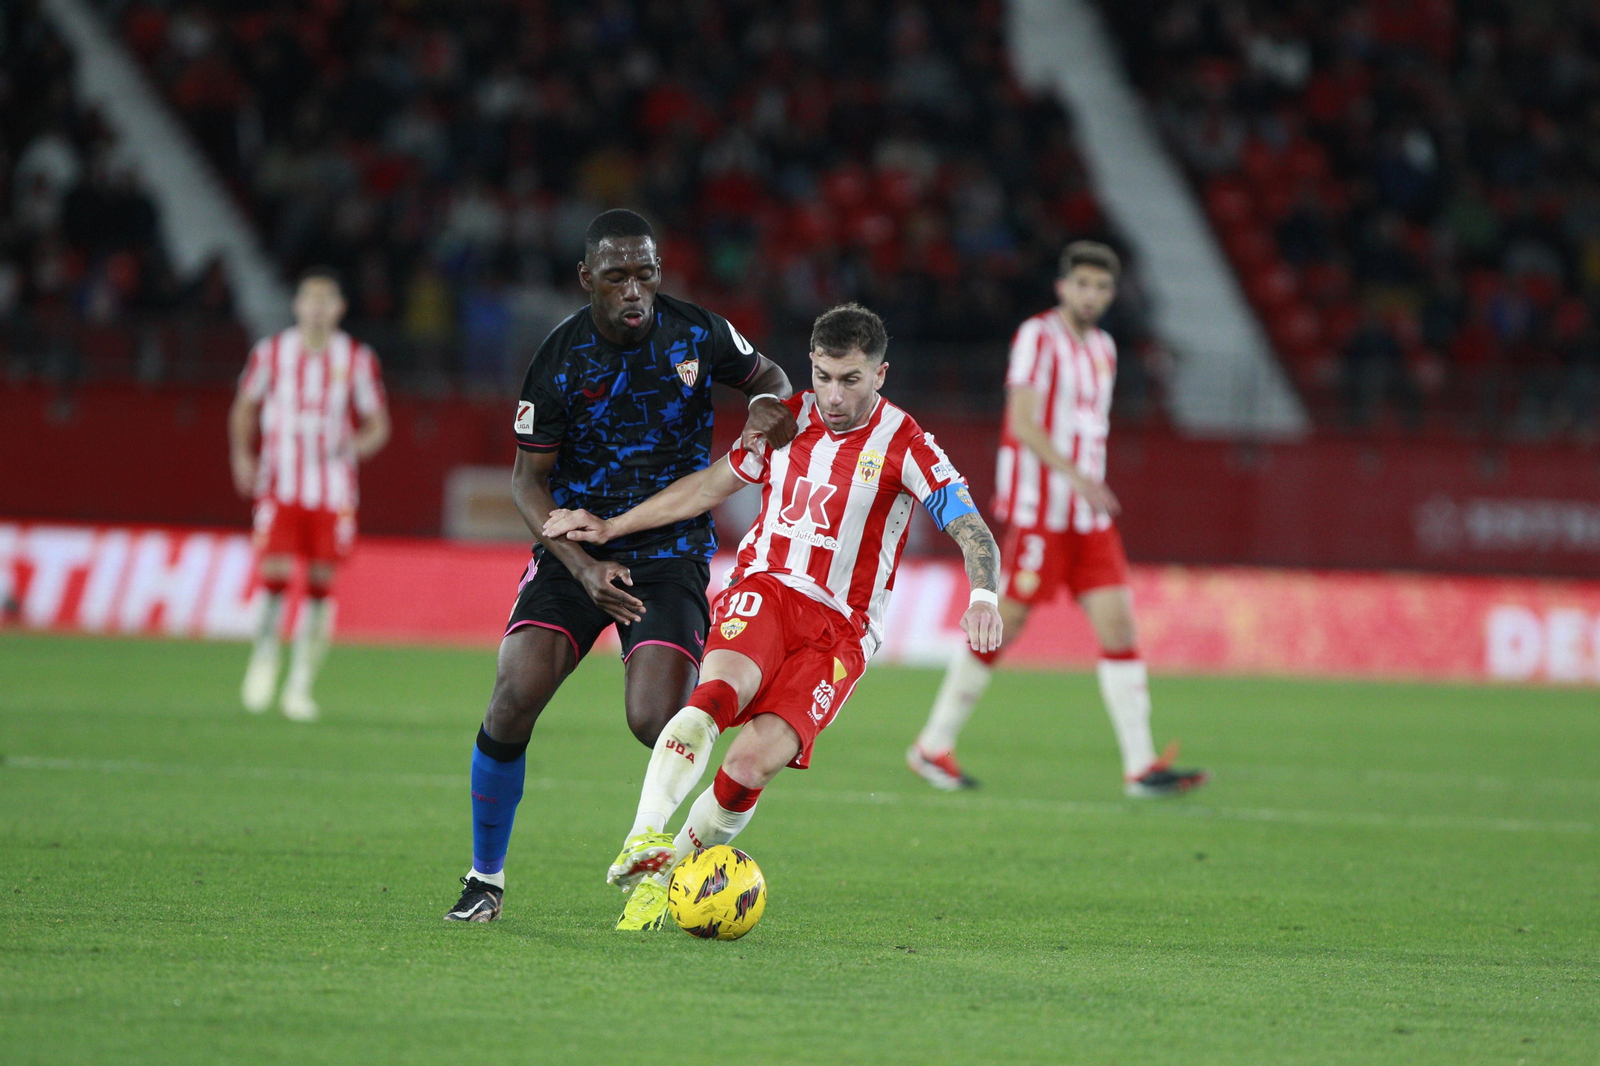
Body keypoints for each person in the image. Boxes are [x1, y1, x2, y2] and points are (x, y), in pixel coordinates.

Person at [543, 303, 1004, 930]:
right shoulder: (786, 421)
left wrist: (983, 597)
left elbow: (970, 526)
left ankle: (660, 881)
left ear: (880, 374)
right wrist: (611, 526)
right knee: (716, 694)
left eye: (850, 380)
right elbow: (710, 486)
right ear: (810, 365)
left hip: (841, 632)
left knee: (750, 766)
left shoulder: (908, 444)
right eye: (823, 376)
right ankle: (644, 834)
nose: (833, 396)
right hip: (767, 589)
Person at [444, 209, 798, 922]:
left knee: (658, 721)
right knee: (512, 696)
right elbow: (526, 483)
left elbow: (772, 378)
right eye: (616, 276)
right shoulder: (560, 358)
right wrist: (581, 568)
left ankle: (670, 861)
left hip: (669, 556)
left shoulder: (697, 332)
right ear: (587, 279)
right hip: (576, 553)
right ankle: (485, 879)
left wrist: (767, 410)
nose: (633, 289)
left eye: (645, 274)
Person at [906, 242, 1207, 797]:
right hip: (1040, 514)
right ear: (1063, 287)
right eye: (1082, 284)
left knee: (1120, 628)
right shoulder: (1037, 337)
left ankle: (1140, 767)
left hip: (1088, 521)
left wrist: (1085, 486)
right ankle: (932, 744)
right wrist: (1078, 477)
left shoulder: (1105, 348)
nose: (1091, 295)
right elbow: (1023, 422)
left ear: (1111, 294)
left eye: (1102, 287)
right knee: (1004, 625)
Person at [230, 267, 390, 722]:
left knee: (321, 583)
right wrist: (241, 455)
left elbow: (378, 424)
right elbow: (244, 406)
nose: (317, 309)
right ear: (297, 306)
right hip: (279, 482)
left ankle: (300, 685)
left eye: (326, 301)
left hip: (332, 490)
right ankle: (264, 656)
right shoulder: (271, 353)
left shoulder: (357, 358)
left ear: (339, 308)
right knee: (274, 572)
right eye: (310, 300)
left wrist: (356, 446)